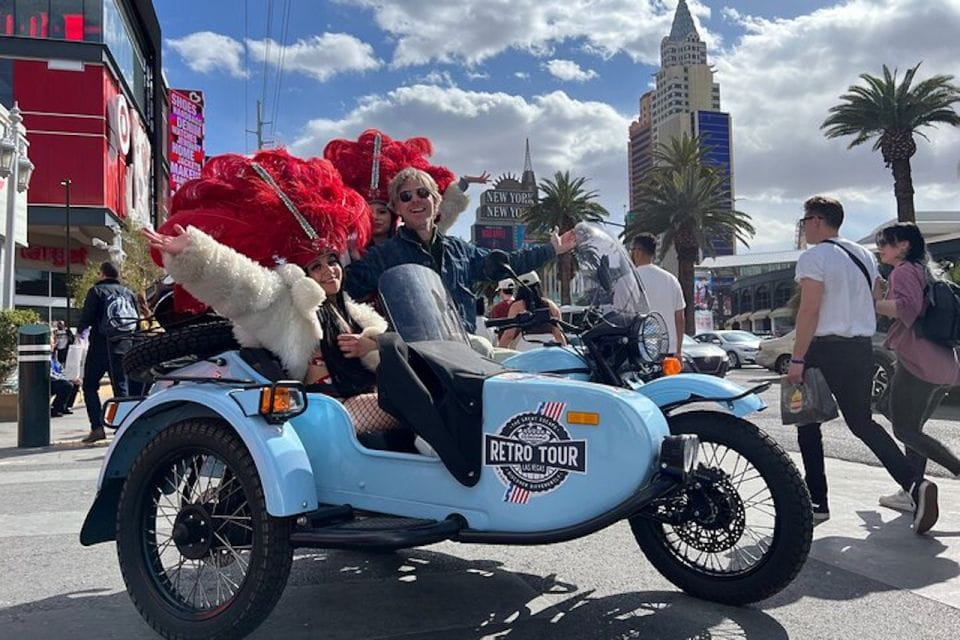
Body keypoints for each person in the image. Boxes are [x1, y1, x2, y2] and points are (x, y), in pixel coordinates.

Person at [147, 149, 397, 434]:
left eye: (331, 261)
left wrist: (371, 343)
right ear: (302, 275)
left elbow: (385, 340)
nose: (329, 271)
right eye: (316, 267)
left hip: (357, 400)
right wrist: (195, 253)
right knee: (406, 402)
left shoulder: (350, 310)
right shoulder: (289, 305)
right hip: (321, 412)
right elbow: (243, 283)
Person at [787, 196, 915, 523]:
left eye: (804, 222)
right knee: (861, 423)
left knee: (807, 420)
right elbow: (878, 296)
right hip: (859, 346)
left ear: (816, 220)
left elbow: (810, 309)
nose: (803, 229)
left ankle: (818, 501)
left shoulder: (815, 257)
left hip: (822, 347)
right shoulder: (863, 255)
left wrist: (797, 358)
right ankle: (915, 483)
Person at [345, 167, 576, 333]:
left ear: (436, 201)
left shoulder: (459, 249)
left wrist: (551, 249)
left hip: (463, 345)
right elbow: (344, 288)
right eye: (406, 196)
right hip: (414, 353)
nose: (415, 200)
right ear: (397, 208)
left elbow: (505, 263)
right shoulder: (385, 254)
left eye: (423, 193)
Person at [873, 223, 960, 533]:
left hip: (917, 362)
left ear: (905, 246)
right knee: (907, 423)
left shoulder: (904, 271)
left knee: (905, 429)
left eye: (887, 243)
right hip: (942, 365)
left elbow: (909, 309)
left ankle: (926, 482)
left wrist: (875, 302)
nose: (881, 247)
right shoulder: (924, 269)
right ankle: (912, 488)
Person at [76, 261, 139, 443]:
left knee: (89, 386)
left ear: (102, 274)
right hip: (125, 345)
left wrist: (79, 336)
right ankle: (124, 428)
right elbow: (138, 319)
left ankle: (97, 427)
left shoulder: (96, 291)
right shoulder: (129, 293)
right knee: (121, 386)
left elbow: (86, 318)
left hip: (100, 345)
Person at [629, 234, 685, 357]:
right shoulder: (671, 279)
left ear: (638, 252)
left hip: (640, 349)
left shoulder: (630, 279)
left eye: (632, 250)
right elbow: (679, 318)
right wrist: (678, 351)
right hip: (668, 350)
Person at [497, 271, 566, 350]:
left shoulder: (517, 306)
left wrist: (498, 351)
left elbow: (509, 335)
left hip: (526, 346)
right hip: (548, 347)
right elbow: (559, 334)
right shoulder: (551, 305)